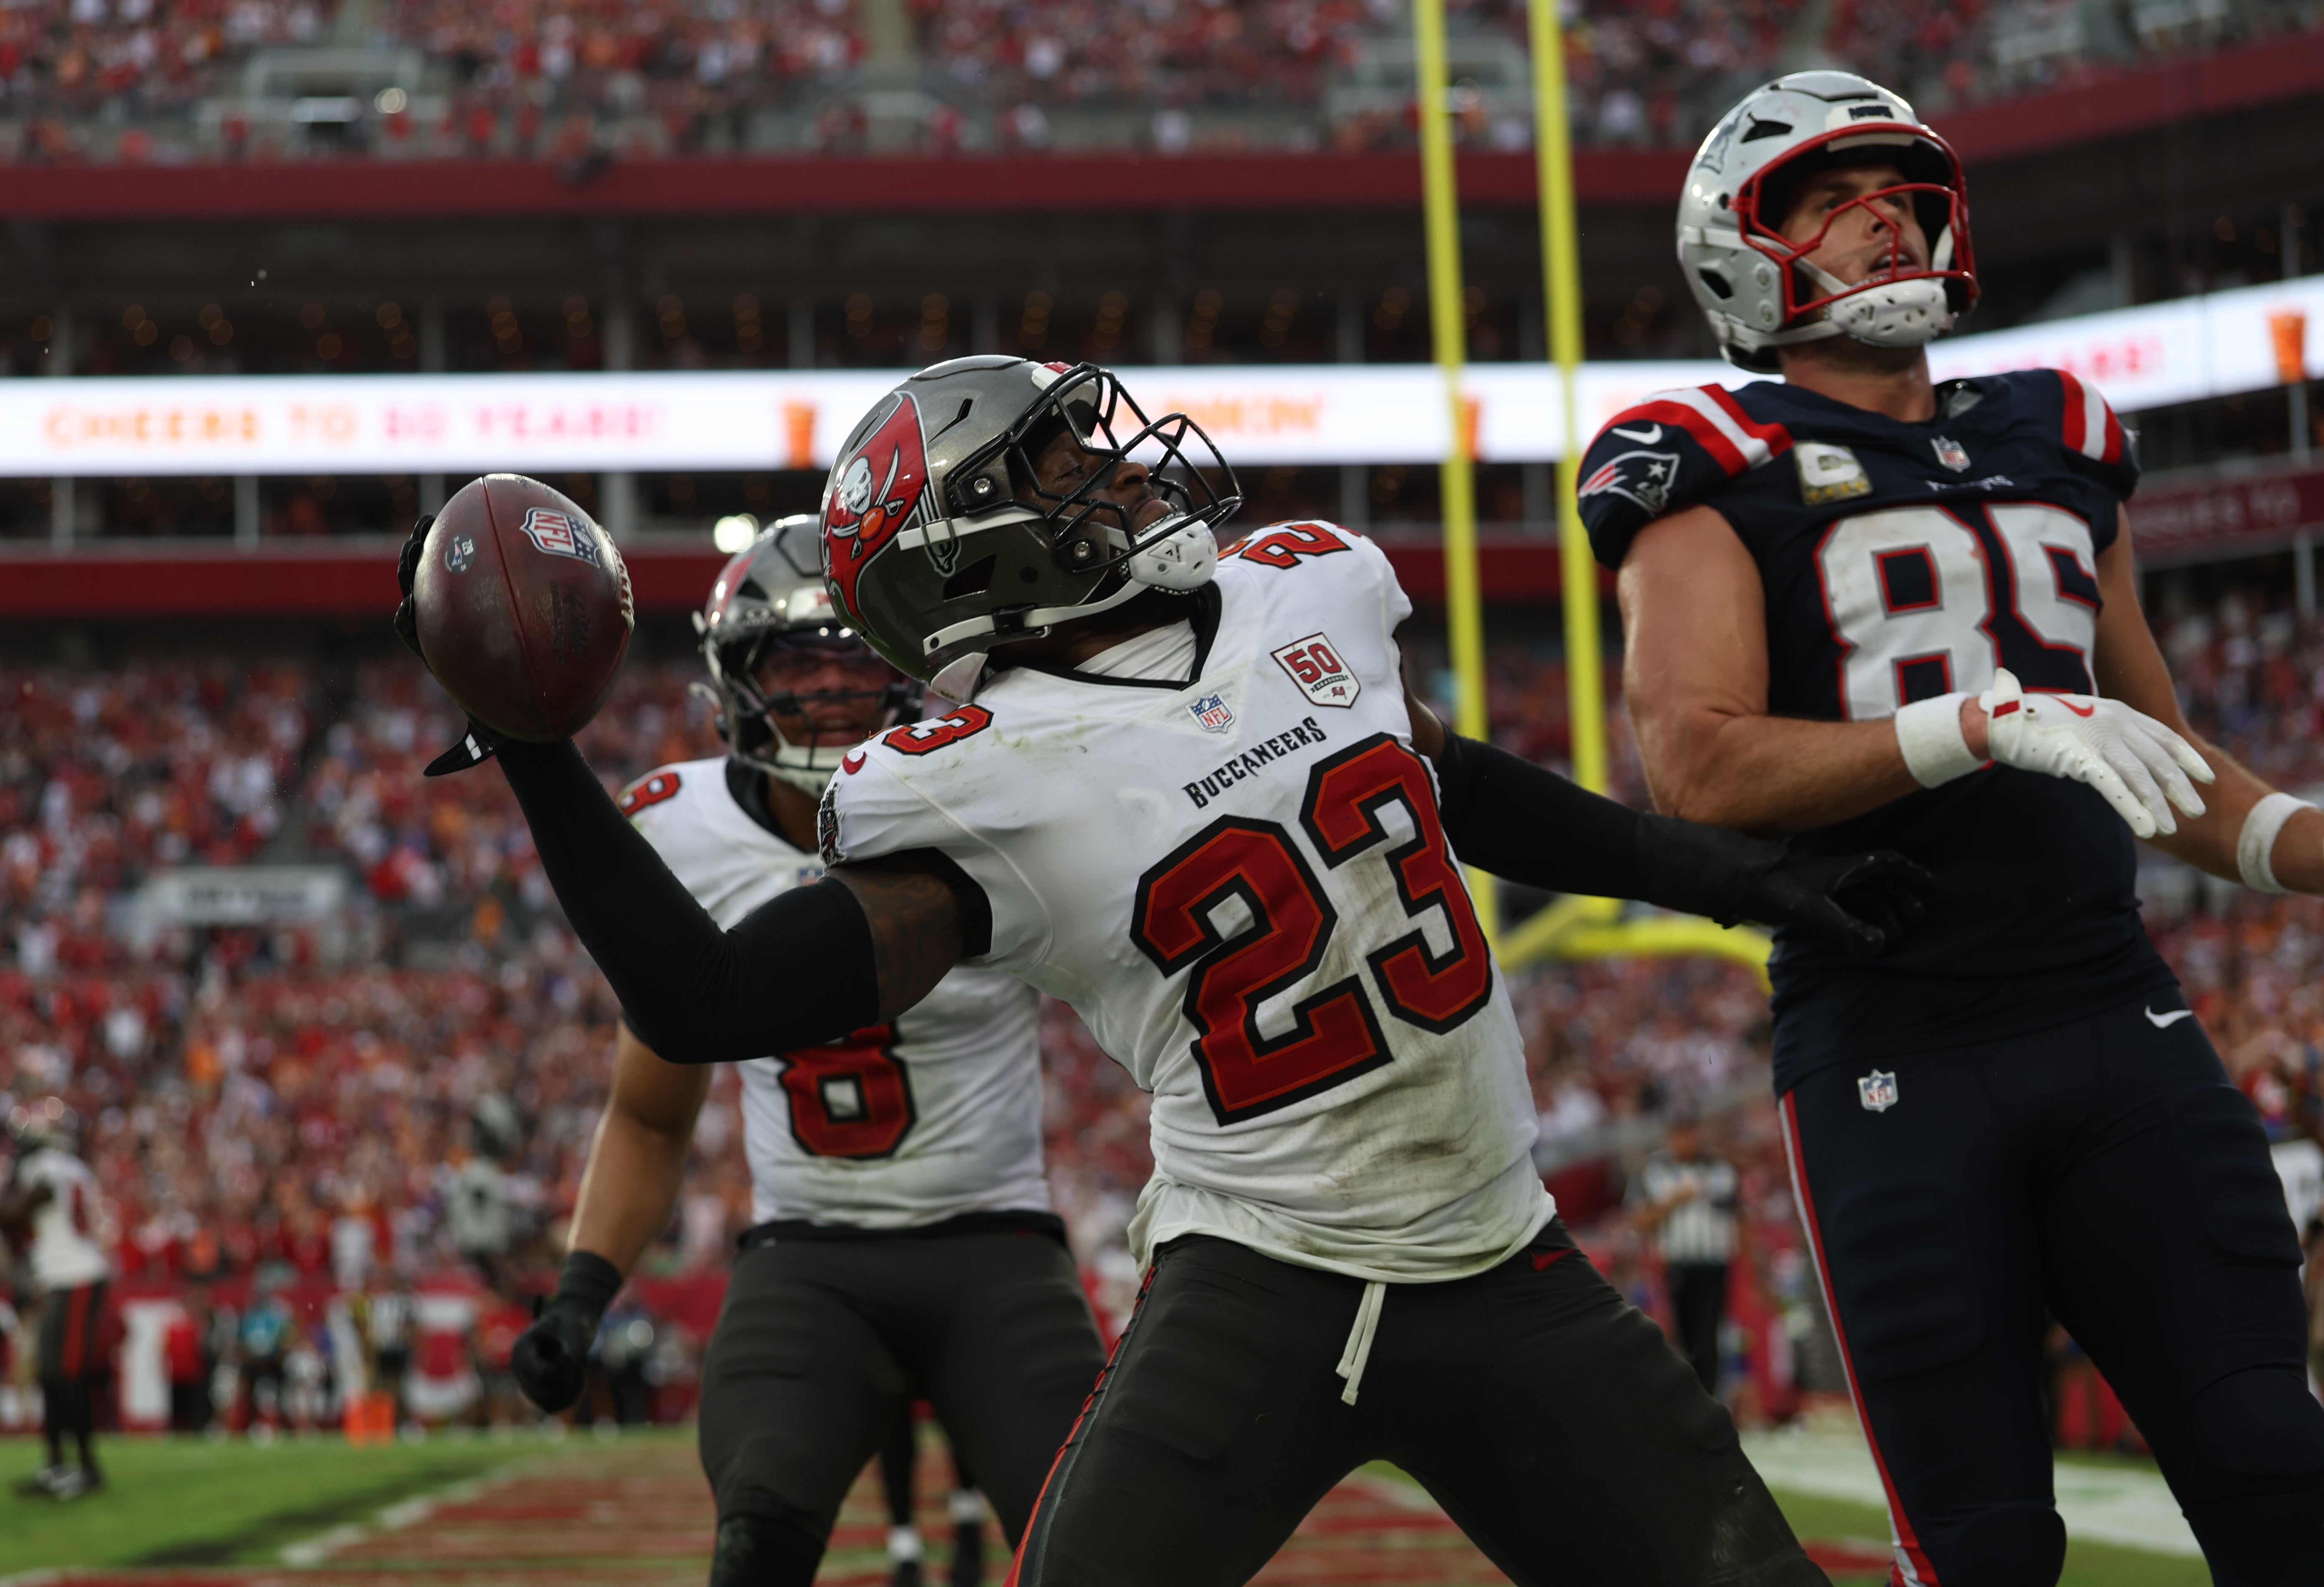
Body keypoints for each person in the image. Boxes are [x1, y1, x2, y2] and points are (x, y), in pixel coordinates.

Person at [405, 355, 1935, 1587]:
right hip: (1257, 1288)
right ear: (974, 546)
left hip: (1505, 1269)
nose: (1125, 464)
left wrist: (1732, 877)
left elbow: (1448, 776)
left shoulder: (1302, 591)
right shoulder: (976, 782)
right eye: (1067, 461)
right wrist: (540, 760)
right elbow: (705, 1007)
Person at [1579, 69, 2324, 1587]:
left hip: (2115, 1018)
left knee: (2276, 1464)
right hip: (1891, 1049)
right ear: (1741, 242)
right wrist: (1970, 724)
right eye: (1827, 201)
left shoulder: (2059, 432)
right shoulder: (1702, 450)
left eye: (1904, 194)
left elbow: (2169, 770)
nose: (1883, 223)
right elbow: (1698, 769)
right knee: (1984, 1547)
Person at [504, 518, 1102, 1582]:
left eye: (859, 656)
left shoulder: (994, 795)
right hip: (808, 1259)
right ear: (737, 683)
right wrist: (581, 1295)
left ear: (914, 669)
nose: (831, 688)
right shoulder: (680, 831)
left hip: (997, 1245)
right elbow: (650, 1112)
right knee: (758, 1536)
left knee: (1102, 1549)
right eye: (796, 659)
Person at [1, 1098, 110, 1499]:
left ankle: (84, 1467)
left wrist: (10, 1184)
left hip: (76, 1276)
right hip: (66, 1275)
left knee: (65, 1373)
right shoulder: (73, 1167)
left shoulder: (46, 1168)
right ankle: (58, 1464)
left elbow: (14, 1214)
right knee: (51, 1371)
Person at [1629, 1114, 1740, 1395]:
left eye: (1690, 1132)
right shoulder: (1652, 1170)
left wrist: (1753, 1267)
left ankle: (1711, 1399)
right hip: (1672, 1267)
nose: (1686, 1140)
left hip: (1714, 1264)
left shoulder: (1720, 1168)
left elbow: (1740, 1217)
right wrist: (1671, 1202)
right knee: (1680, 1337)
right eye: (1679, 1133)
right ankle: (1693, 1401)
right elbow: (1638, 1220)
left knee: (1708, 1335)